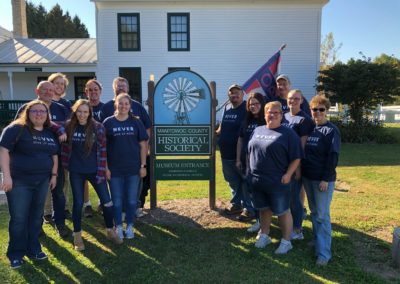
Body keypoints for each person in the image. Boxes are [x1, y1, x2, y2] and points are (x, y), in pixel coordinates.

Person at [0, 100, 59, 269]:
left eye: (43, 111)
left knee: (36, 217)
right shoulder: (15, 129)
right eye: (35, 111)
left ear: (47, 115)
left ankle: (33, 248)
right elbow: (3, 151)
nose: (39, 114)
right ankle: (16, 253)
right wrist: (7, 177)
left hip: (42, 181)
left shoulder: (49, 132)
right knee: (19, 218)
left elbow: (54, 155)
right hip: (19, 182)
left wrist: (53, 175)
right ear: (28, 112)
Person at [61, 99, 123, 250]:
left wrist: (104, 169)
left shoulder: (98, 127)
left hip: (96, 171)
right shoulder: (68, 126)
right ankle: (77, 236)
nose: (82, 115)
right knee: (77, 204)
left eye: (85, 112)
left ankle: (110, 230)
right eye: (79, 111)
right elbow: (54, 130)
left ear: (90, 113)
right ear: (75, 111)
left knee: (107, 202)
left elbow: (103, 150)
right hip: (76, 171)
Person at [15, 81, 70, 238]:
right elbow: (17, 130)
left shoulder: (61, 109)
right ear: (37, 91)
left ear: (54, 92)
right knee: (35, 193)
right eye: (44, 89)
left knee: (58, 192)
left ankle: (60, 223)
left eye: (50, 90)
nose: (47, 92)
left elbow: (67, 131)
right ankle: (36, 226)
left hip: (56, 158)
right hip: (32, 159)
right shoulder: (26, 108)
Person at [248, 101, 302, 254]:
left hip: (278, 180)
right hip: (258, 180)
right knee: (264, 209)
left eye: (276, 112)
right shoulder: (258, 130)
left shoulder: (288, 133)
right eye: (269, 112)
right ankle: (265, 235)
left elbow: (297, 157)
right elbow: (251, 150)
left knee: (283, 211)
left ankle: (286, 241)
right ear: (264, 114)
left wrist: (288, 174)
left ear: (281, 115)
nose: (272, 115)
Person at [100, 77, 151, 218]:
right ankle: (120, 210)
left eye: (123, 86)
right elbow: (101, 137)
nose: (121, 88)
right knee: (117, 188)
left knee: (135, 186)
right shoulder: (106, 111)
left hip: (134, 157)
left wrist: (144, 149)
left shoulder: (137, 108)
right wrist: (105, 165)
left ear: (128, 89)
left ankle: (135, 207)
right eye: (118, 86)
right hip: (114, 160)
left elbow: (147, 129)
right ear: (114, 88)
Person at [302, 94, 341, 266]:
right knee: (314, 212)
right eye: (314, 109)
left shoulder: (332, 130)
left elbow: (333, 157)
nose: (317, 112)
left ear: (327, 111)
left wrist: (325, 178)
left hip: (322, 179)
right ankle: (318, 241)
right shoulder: (310, 128)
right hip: (307, 177)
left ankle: (324, 254)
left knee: (322, 215)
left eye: (321, 109)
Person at [103, 94, 148, 239]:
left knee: (131, 200)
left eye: (126, 104)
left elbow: (143, 145)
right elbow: (102, 148)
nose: (123, 106)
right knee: (116, 201)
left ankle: (129, 226)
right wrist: (106, 168)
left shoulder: (136, 122)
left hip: (133, 169)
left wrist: (143, 165)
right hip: (114, 169)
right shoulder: (108, 123)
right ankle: (118, 227)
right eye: (120, 103)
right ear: (116, 104)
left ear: (130, 106)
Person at [281, 89, 314, 240]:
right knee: (285, 197)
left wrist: (297, 168)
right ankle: (288, 224)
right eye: (290, 98)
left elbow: (302, 146)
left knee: (295, 199)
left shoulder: (305, 120)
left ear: (301, 101)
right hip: (282, 162)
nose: (292, 101)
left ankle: (298, 229)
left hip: (295, 164)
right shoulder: (284, 117)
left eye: (296, 98)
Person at [216, 84, 247, 216]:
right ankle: (236, 205)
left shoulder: (246, 108)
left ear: (242, 94)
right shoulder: (227, 108)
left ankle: (249, 208)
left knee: (245, 181)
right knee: (232, 181)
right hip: (225, 153)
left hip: (240, 154)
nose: (234, 95)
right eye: (231, 93)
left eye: (237, 92)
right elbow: (221, 128)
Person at [236, 93, 265, 228]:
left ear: (262, 104)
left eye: (256, 104)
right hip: (246, 162)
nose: (253, 106)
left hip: (261, 164)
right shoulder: (246, 121)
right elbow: (240, 139)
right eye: (251, 104)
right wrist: (238, 159)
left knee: (261, 194)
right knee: (251, 192)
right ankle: (258, 221)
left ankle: (264, 223)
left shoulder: (267, 120)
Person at [48, 73, 73, 221]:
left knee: (64, 180)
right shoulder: (44, 103)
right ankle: (46, 211)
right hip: (46, 149)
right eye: (56, 83)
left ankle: (64, 207)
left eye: (62, 84)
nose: (59, 86)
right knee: (47, 181)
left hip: (63, 149)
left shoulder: (66, 104)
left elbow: (71, 124)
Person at [81, 79, 105, 217]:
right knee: (84, 178)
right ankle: (87, 204)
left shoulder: (106, 107)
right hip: (84, 149)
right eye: (90, 90)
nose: (93, 92)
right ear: (86, 92)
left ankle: (103, 202)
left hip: (101, 148)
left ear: (100, 91)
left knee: (103, 175)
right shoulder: (82, 107)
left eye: (95, 89)